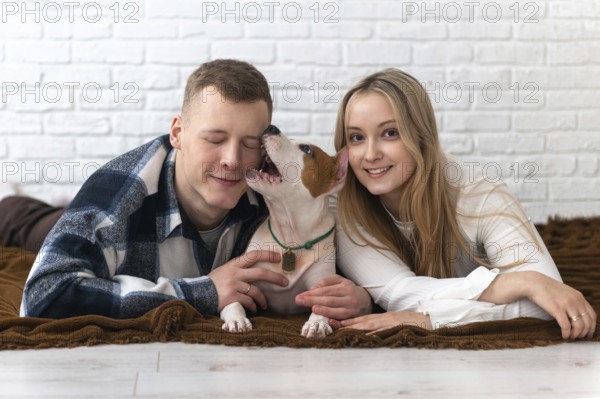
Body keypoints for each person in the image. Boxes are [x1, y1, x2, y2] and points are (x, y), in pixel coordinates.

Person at [295, 68, 596, 340]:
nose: (370, 154)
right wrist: (520, 283)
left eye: (390, 133)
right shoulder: (341, 205)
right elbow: (398, 293)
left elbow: (549, 305)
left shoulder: (479, 195)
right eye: (357, 137)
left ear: (421, 136)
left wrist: (427, 319)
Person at [10, 59, 289, 318]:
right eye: (215, 139)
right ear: (178, 134)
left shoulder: (275, 184)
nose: (232, 160)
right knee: (27, 224)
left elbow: (325, 247)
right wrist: (204, 292)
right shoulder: (119, 192)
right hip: (39, 219)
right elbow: (44, 296)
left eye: (251, 143)